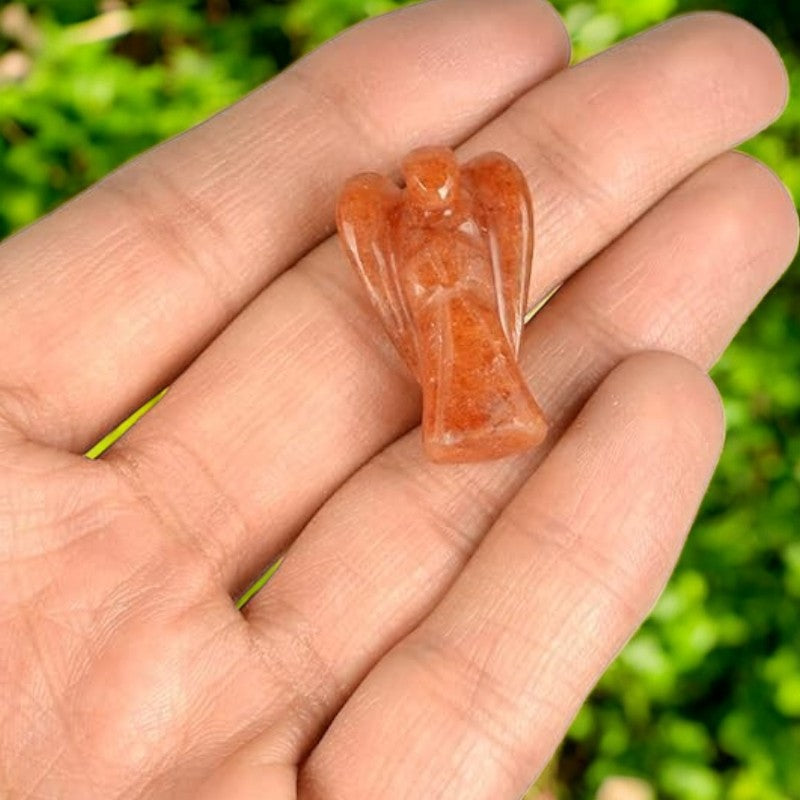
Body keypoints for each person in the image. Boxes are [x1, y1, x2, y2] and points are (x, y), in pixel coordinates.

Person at [0, 1, 796, 797]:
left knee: (492, 375)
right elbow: (403, 281)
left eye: (443, 181)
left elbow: (497, 261)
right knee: (455, 381)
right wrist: (435, 285)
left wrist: (468, 285)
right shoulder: (396, 227)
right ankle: (464, 416)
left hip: (477, 314)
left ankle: (494, 411)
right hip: (440, 322)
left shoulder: (484, 210)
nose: (436, 189)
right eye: (425, 183)